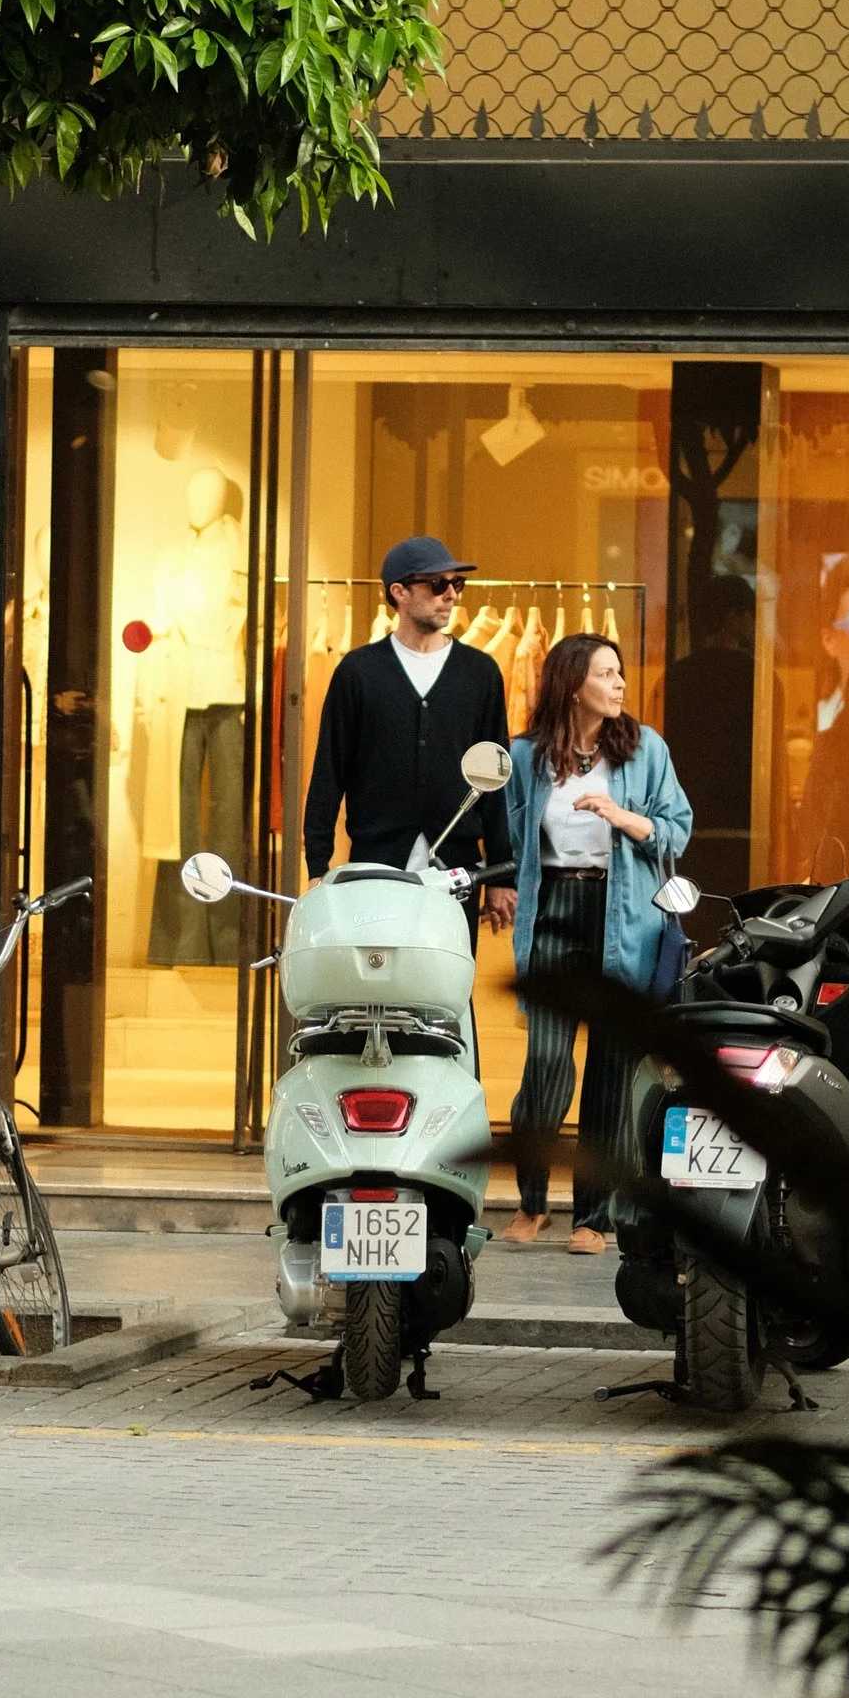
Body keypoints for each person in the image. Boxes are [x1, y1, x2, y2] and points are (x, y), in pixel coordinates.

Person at [498, 632, 692, 1252]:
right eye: (606, 675)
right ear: (572, 682)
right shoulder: (525, 756)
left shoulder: (645, 750)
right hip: (554, 909)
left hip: (623, 914)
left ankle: (593, 1217)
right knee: (548, 1065)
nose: (619, 685)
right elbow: (504, 840)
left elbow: (676, 829)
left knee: (610, 1073)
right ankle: (532, 1202)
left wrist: (621, 816)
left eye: (620, 674)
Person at [302, 534, 516, 914]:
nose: (451, 595)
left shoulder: (480, 673)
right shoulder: (359, 671)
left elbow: (495, 776)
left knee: (449, 973)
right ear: (399, 592)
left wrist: (501, 873)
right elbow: (329, 772)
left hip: (456, 872)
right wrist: (318, 866)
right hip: (373, 868)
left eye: (457, 583)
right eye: (437, 584)